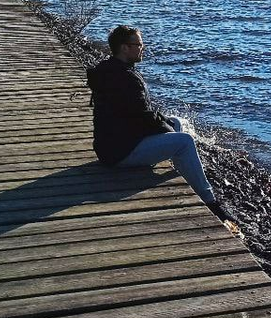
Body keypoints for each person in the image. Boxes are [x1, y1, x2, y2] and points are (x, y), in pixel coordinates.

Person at [87, 25, 230, 222]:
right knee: (184, 141)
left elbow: (139, 114)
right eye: (138, 44)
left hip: (115, 142)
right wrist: (166, 128)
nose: (142, 48)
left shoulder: (111, 70)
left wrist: (166, 125)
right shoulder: (124, 79)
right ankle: (210, 202)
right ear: (124, 48)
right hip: (118, 152)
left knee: (176, 122)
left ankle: (185, 167)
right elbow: (143, 117)